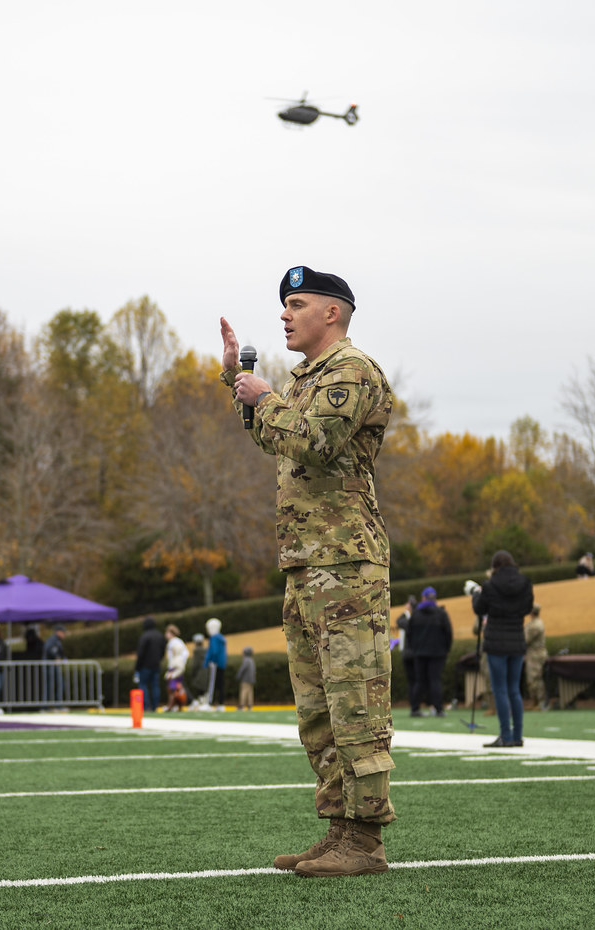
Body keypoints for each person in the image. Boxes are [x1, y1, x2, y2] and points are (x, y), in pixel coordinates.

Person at [220, 265, 394, 878]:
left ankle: (366, 839)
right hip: (306, 562)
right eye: (284, 305)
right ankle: (339, 828)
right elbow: (278, 439)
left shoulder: (351, 371)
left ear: (333, 313)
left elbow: (313, 441)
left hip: (346, 562)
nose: (285, 315)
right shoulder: (304, 378)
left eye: (297, 304)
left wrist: (262, 397)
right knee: (318, 708)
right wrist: (240, 384)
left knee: (355, 699)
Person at [471, 550, 534, 748]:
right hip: (517, 639)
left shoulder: (490, 585)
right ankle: (517, 735)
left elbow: (479, 609)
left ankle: (505, 736)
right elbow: (527, 608)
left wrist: (475, 594)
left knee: (500, 690)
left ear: (495, 566)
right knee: (514, 689)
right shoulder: (525, 583)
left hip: (496, 642)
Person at [406, 587, 452, 718]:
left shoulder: (416, 614)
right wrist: (446, 649)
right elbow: (448, 633)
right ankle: (438, 709)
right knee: (435, 680)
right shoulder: (441, 613)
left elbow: (409, 634)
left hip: (419, 653)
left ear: (423, 598)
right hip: (438, 653)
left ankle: (415, 708)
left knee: (419, 681)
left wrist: (414, 649)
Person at [134, 617, 166, 712]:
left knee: (143, 685)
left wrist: (137, 667)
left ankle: (146, 705)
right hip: (156, 665)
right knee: (155, 686)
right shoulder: (160, 636)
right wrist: (158, 660)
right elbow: (163, 651)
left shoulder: (145, 636)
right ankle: (154, 706)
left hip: (145, 666)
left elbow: (141, 653)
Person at [523, 606, 549, 710]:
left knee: (535, 678)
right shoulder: (532, 623)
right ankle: (535, 702)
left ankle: (541, 703)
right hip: (531, 655)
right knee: (531, 679)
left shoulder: (536, 625)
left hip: (536, 655)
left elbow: (525, 640)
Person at [395, 596, 417, 714]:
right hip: (409, 654)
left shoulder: (414, 618)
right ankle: (414, 706)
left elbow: (404, 624)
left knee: (416, 681)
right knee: (412, 681)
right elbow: (399, 622)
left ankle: (416, 705)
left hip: (412, 653)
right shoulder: (407, 617)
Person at [202, 617, 227, 711]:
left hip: (215, 664)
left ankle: (209, 703)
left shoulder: (214, 638)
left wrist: (208, 661)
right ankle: (220, 703)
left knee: (212, 684)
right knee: (220, 684)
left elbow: (213, 651)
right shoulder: (221, 638)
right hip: (221, 664)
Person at [164, 624, 189, 711]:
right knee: (175, 688)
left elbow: (185, 653)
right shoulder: (175, 642)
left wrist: (181, 663)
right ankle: (177, 706)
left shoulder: (175, 642)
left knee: (173, 688)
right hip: (174, 666)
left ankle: (172, 705)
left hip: (175, 667)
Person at [43, 624, 68, 706]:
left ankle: (56, 705)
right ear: (58, 632)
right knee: (51, 686)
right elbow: (50, 650)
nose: (64, 634)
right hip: (50, 667)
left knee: (56, 685)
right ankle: (50, 706)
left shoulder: (56, 640)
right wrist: (56, 657)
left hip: (53, 667)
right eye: (63, 632)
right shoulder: (53, 640)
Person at [188, 633, 209, 708]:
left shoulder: (196, 650)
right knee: (203, 689)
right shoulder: (205, 649)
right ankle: (203, 703)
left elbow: (195, 664)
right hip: (205, 671)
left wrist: (193, 672)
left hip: (199, 672)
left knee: (199, 689)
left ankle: (200, 704)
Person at [236, 646, 256, 710]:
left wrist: (238, 675)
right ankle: (250, 706)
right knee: (250, 692)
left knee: (244, 692)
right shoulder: (251, 660)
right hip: (251, 679)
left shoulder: (246, 660)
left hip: (245, 679)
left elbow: (242, 669)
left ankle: (242, 705)